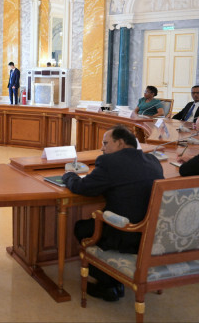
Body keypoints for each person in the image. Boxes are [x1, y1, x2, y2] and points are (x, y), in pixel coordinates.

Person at [62, 125, 164, 302]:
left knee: (82, 228)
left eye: (105, 143)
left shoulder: (109, 162)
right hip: (152, 236)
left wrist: (69, 175)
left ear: (120, 143)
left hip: (125, 234)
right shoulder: (153, 161)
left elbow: (82, 187)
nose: (102, 148)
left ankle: (109, 283)